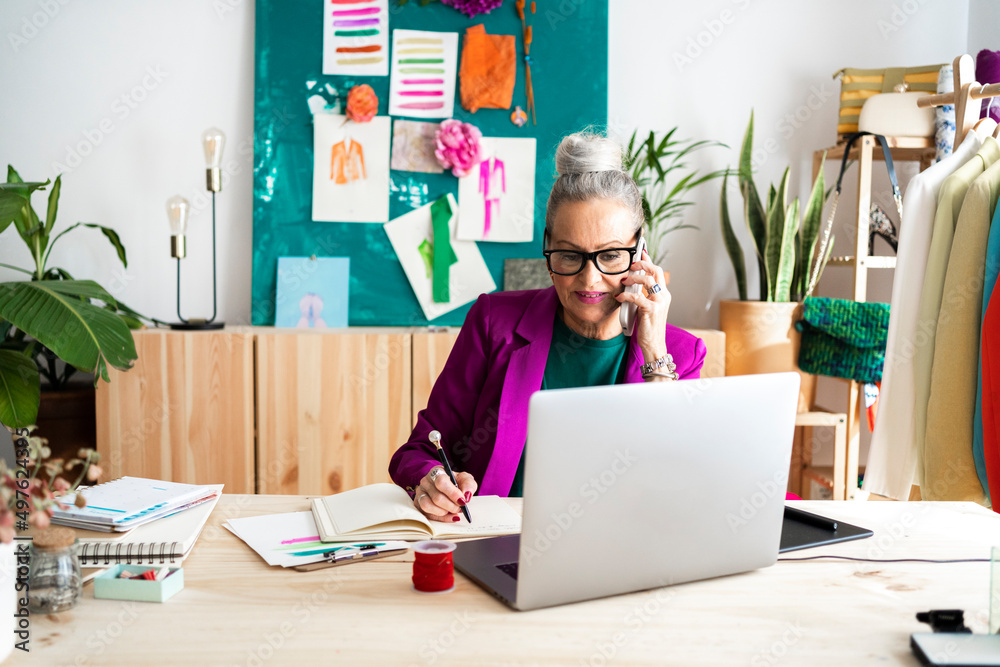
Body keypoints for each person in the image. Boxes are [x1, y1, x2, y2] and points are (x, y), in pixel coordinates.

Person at [389, 131, 707, 522]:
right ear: (547, 247)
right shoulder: (494, 322)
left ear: (640, 252)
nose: (590, 279)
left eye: (610, 255)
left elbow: (679, 480)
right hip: (500, 545)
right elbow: (420, 450)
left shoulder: (679, 353)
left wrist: (654, 351)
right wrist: (432, 478)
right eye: (570, 255)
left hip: (621, 549)